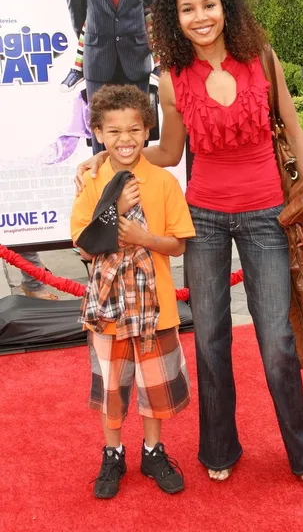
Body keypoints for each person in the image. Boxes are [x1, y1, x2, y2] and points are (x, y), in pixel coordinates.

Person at [75, 0, 303, 485]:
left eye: (208, 4)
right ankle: (218, 448)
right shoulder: (171, 78)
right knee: (209, 339)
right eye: (187, 9)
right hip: (204, 218)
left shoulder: (262, 58)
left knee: (276, 338)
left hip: (266, 215)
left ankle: (300, 447)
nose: (200, 17)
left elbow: (294, 130)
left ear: (225, 6)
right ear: (175, 18)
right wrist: (110, 156)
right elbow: (169, 151)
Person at [71, 84, 195, 499]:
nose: (125, 139)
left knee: (153, 387)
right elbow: (84, 245)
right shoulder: (92, 181)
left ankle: (152, 450)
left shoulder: (163, 182)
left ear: (147, 131)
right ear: (98, 134)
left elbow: (177, 244)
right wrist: (116, 210)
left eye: (134, 130)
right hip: (107, 309)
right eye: (114, 131)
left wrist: (145, 238)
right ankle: (113, 453)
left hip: (155, 309)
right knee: (111, 388)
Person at [65, 0, 158, 154]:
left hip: (136, 57)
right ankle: (103, 177)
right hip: (97, 57)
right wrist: (94, 38)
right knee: (101, 134)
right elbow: (76, 9)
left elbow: (153, 2)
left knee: (137, 130)